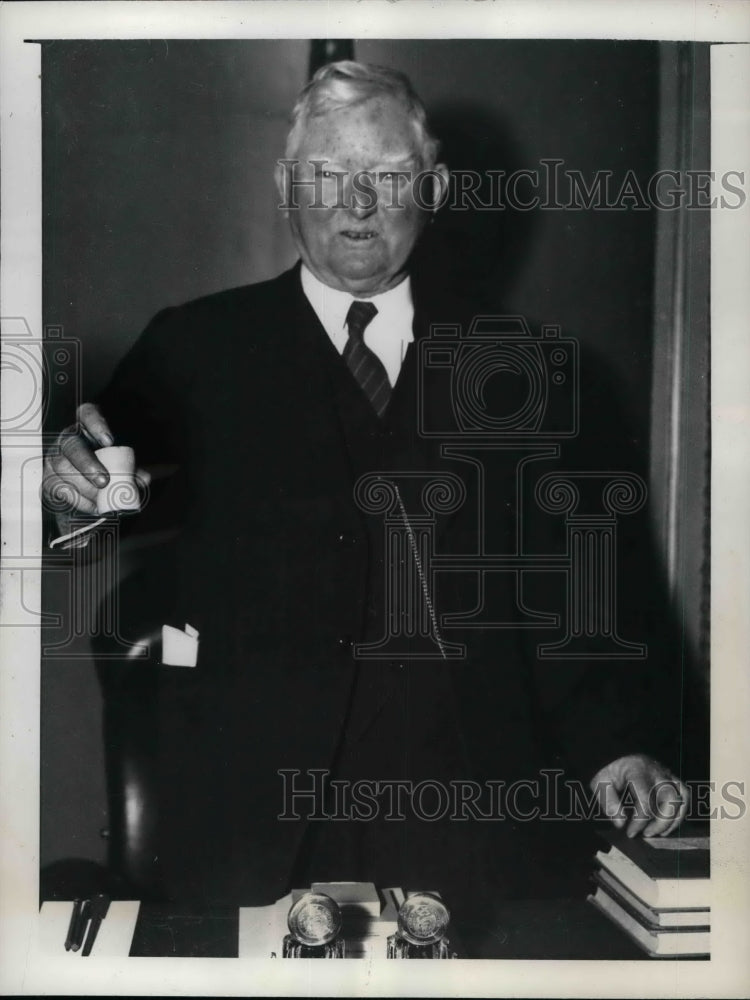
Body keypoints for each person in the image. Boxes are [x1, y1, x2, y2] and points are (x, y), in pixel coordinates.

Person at [43, 61, 689, 914]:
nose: (356, 202)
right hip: (254, 823)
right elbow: (84, 512)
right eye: (329, 173)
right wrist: (66, 488)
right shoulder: (197, 349)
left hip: (474, 823)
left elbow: (581, 595)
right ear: (286, 186)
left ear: (436, 188)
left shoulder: (526, 372)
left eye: (386, 175)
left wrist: (617, 747)